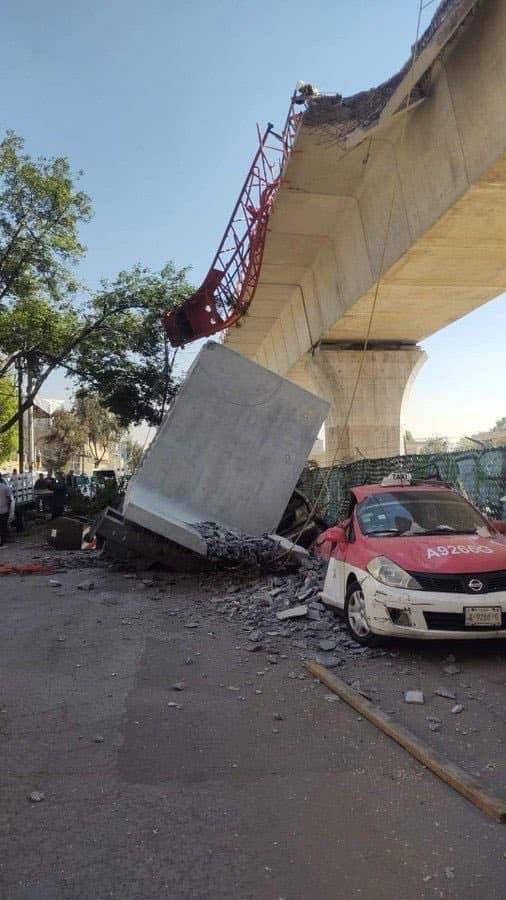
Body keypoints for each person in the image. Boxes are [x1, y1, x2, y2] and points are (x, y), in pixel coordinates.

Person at [0, 473, 13, 547]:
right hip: (4, 510)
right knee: (3, 526)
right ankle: (2, 541)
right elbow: (9, 500)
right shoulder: (5, 487)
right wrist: (9, 509)